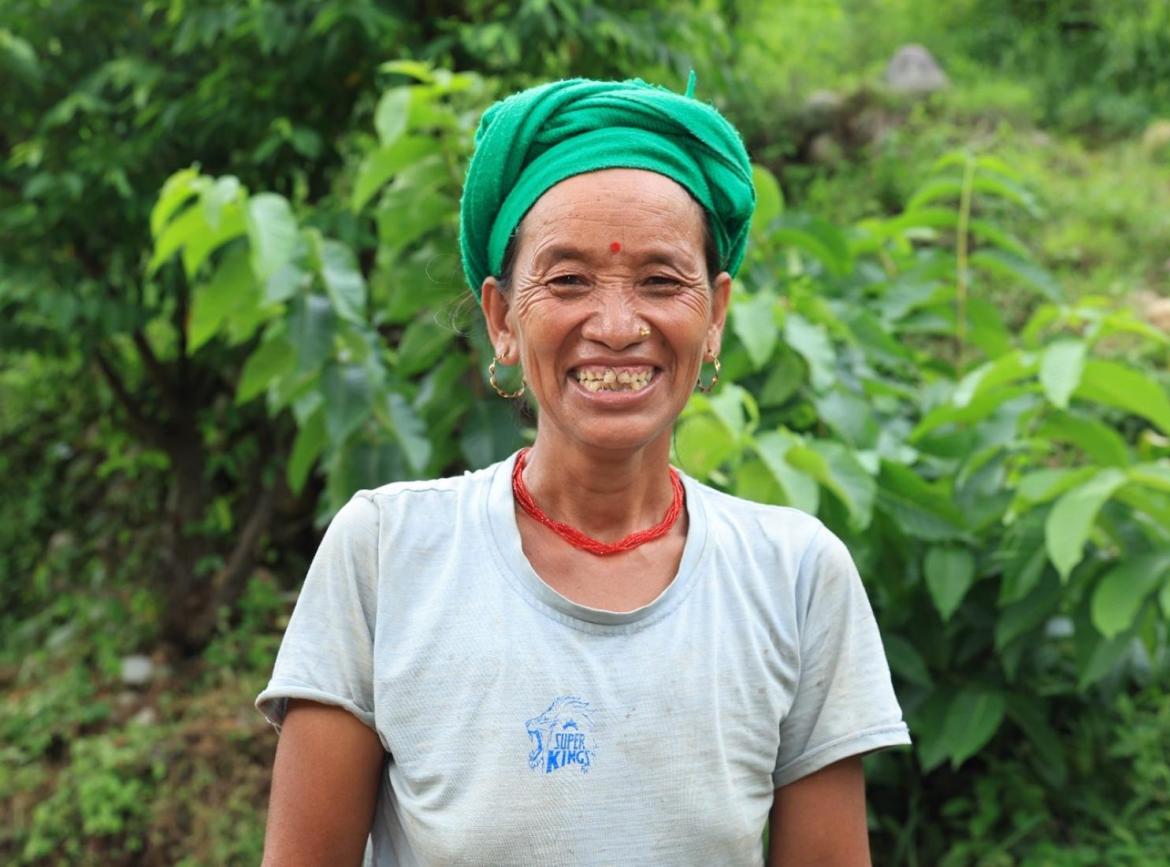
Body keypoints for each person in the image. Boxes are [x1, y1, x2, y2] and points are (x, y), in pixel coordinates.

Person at [255, 77, 910, 867]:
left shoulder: (796, 577)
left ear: (716, 316)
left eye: (662, 282)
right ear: (501, 318)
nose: (616, 325)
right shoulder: (389, 555)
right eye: (567, 281)